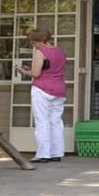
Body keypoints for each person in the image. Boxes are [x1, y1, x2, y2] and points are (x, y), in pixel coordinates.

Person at [14, 28, 67, 163]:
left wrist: (22, 70)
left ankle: (43, 154)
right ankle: (57, 152)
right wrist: (30, 69)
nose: (33, 44)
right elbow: (50, 69)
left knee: (42, 122)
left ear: (40, 40)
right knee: (56, 122)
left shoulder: (40, 52)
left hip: (43, 89)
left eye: (33, 41)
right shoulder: (60, 51)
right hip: (59, 89)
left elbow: (36, 74)